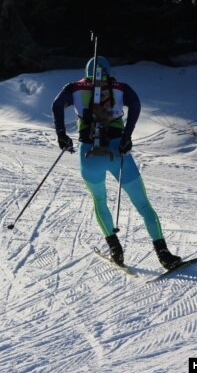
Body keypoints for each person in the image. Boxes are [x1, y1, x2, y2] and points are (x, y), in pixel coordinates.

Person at [51, 56, 182, 270]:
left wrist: (61, 135)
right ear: (109, 70)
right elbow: (136, 104)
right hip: (118, 151)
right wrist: (127, 135)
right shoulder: (121, 87)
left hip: (89, 154)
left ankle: (115, 249)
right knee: (142, 204)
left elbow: (56, 105)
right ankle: (164, 254)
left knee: (99, 201)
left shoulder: (74, 87)